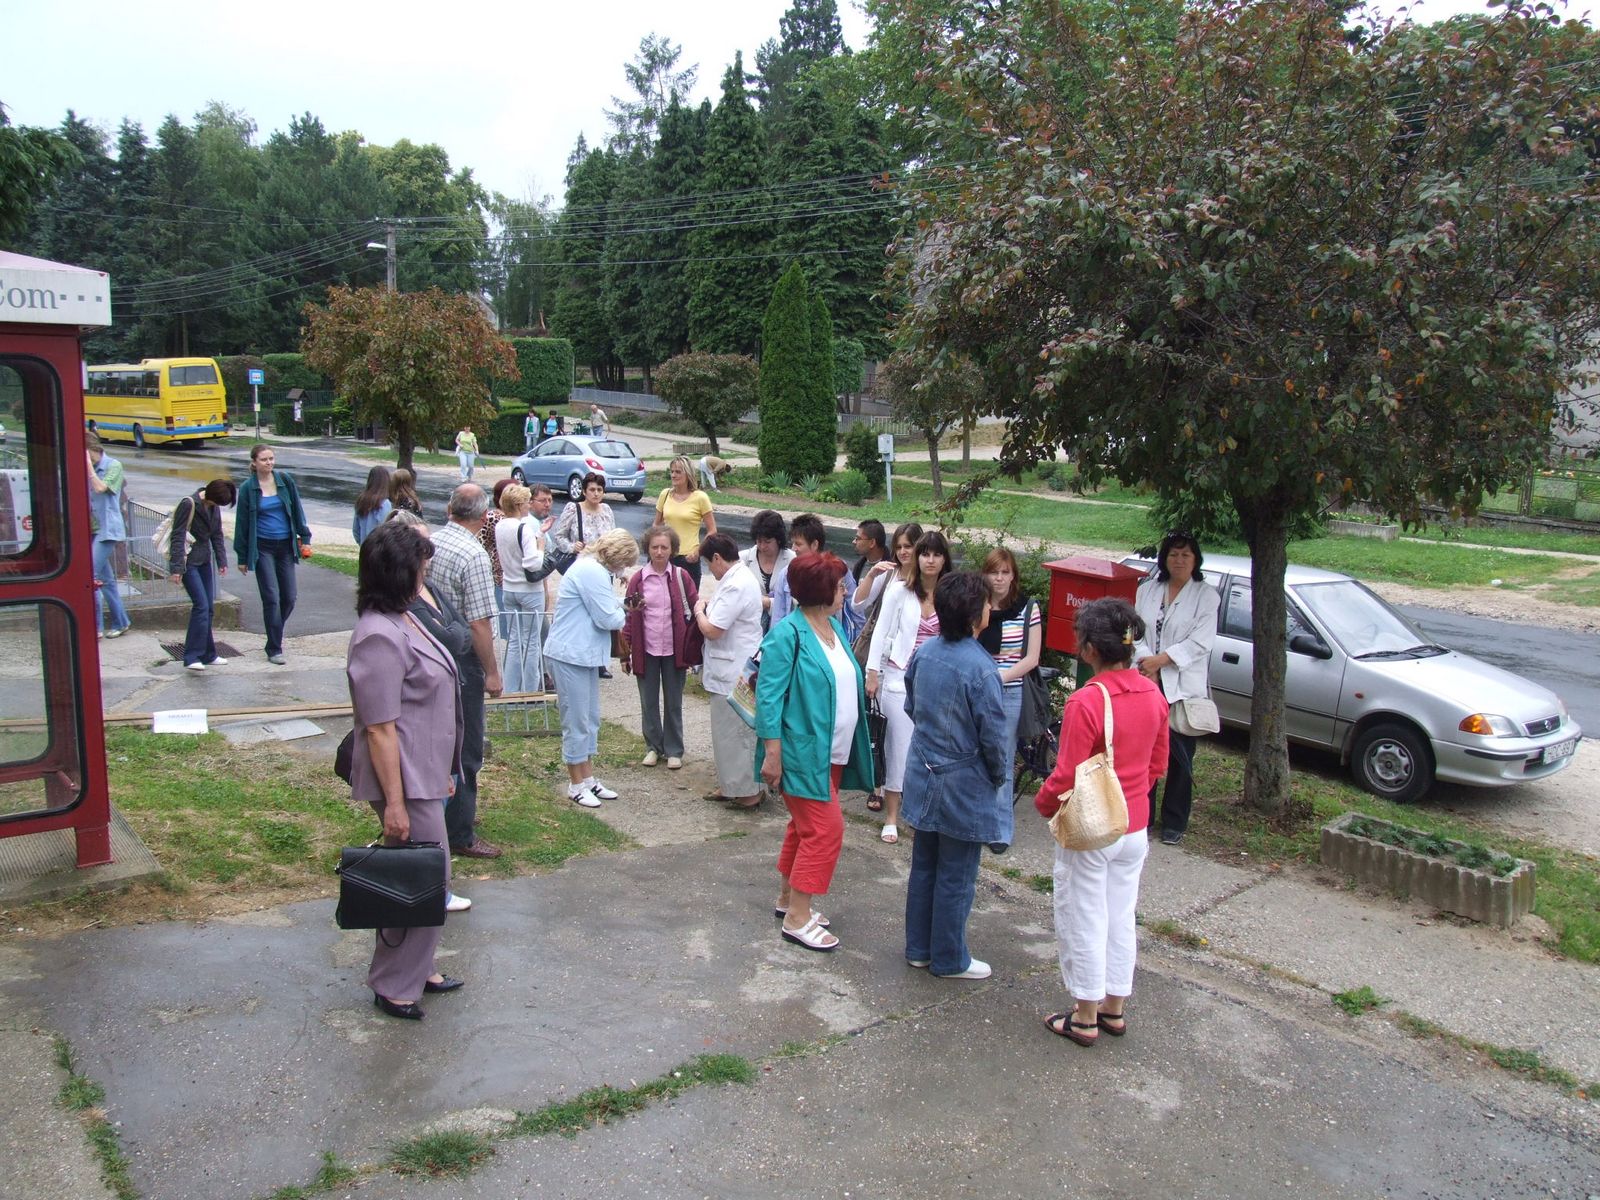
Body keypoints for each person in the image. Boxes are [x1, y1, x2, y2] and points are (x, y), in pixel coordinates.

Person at [346, 521, 467, 1019]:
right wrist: (395, 804)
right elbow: (379, 728)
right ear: (399, 572)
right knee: (424, 878)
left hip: (424, 772)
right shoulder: (377, 635)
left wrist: (447, 771)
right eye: (420, 567)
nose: (425, 575)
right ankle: (394, 983)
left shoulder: (404, 617)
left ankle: (418, 965)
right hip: (405, 779)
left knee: (425, 875)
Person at [1035, 597, 1168, 1046]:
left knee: (1084, 916)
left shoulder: (1087, 701)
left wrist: (1044, 804)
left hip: (1094, 828)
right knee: (1120, 916)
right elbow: (1158, 764)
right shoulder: (1153, 694)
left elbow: (1066, 775)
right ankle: (1114, 1007)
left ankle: (1085, 1015)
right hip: (1134, 825)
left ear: (1089, 648)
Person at [756, 553, 876, 953]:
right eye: (840, 586)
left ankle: (787, 899)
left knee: (803, 826)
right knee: (825, 830)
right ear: (822, 591)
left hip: (832, 751)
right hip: (801, 752)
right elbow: (768, 698)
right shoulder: (787, 635)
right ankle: (797, 918)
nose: (845, 592)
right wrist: (772, 754)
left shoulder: (833, 627)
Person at [902, 573, 1011, 979]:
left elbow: (912, 705)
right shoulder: (981, 668)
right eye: (985, 603)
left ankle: (919, 948)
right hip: (962, 783)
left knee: (924, 866)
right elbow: (994, 738)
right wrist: (997, 776)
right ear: (974, 615)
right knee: (957, 874)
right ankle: (949, 959)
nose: (989, 608)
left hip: (922, 771)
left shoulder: (926, 651)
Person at [390, 509, 478, 915]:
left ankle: (419, 888)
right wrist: (454, 635)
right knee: (423, 824)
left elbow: (459, 630)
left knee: (439, 801)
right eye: (420, 546)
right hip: (418, 737)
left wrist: (454, 635)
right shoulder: (403, 605)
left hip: (442, 722)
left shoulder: (430, 588)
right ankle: (424, 893)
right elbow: (451, 638)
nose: (428, 553)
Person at [425, 485, 505, 860]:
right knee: (467, 747)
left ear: (450, 509)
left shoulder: (433, 541)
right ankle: (459, 832)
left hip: (430, 653)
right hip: (461, 660)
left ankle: (439, 815)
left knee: (438, 742)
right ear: (484, 517)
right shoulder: (474, 555)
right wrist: (492, 672)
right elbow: (479, 623)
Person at [865, 529, 952, 844]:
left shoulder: (951, 594)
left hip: (938, 683)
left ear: (944, 559)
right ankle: (892, 816)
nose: (930, 560)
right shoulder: (900, 591)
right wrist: (872, 672)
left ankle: (923, 814)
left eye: (937, 554)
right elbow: (880, 632)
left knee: (932, 751)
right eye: (925, 553)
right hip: (899, 678)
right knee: (898, 748)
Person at [1132, 531, 1219, 845]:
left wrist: (1161, 661)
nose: (1179, 560)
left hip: (1181, 686)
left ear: (1195, 560)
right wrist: (1147, 664)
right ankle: (1142, 815)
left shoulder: (1206, 596)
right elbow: (1134, 632)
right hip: (1147, 680)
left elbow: (1200, 642)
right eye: (1173, 554)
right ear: (1164, 559)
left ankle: (1174, 821)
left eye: (1185, 555)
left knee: (1180, 755)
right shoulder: (1147, 590)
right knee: (1144, 752)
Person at [545, 528, 639, 807]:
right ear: (616, 555)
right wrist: (622, 612)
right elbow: (607, 618)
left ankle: (588, 779)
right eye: (625, 562)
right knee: (576, 720)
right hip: (570, 654)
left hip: (583, 655)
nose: (624, 569)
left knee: (589, 718)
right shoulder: (592, 571)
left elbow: (603, 605)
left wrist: (621, 604)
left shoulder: (593, 568)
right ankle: (575, 783)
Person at [852, 521, 919, 815]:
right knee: (881, 726)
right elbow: (857, 604)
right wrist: (872, 574)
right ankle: (878, 785)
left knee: (907, 733)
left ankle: (902, 786)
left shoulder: (927, 580)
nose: (903, 552)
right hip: (882, 661)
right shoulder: (890, 573)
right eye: (899, 546)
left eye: (909, 546)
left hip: (911, 666)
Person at [621, 526, 700, 770]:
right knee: (649, 701)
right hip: (647, 649)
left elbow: (695, 608)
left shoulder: (681, 577)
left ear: (672, 549)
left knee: (674, 702)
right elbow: (629, 617)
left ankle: (674, 749)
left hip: (674, 650)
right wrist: (624, 653)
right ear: (647, 548)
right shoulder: (638, 579)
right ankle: (653, 747)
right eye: (654, 547)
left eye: (664, 547)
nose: (659, 552)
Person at [694, 533, 764, 808]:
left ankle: (747, 792)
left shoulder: (736, 584)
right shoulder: (738, 578)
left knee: (737, 734)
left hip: (733, 671)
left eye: (708, 564)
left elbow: (713, 629)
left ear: (717, 558)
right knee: (726, 734)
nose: (710, 571)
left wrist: (699, 611)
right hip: (732, 667)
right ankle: (730, 784)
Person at [233, 444, 312, 666]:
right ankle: (275, 648)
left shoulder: (285, 481)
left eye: (271, 458)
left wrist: (305, 537)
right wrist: (242, 557)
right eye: (264, 459)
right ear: (254, 462)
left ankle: (273, 634)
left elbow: (297, 510)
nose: (269, 463)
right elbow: (241, 524)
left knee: (289, 597)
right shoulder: (248, 488)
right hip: (263, 547)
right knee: (271, 598)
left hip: (285, 546)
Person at [978, 547, 1044, 808]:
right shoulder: (977, 606)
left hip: (1010, 690)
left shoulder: (1027, 608)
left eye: (1005, 572)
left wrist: (1000, 678)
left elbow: (1031, 658)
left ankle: (1000, 821)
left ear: (1013, 575)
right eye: (994, 572)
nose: (999, 578)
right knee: (976, 756)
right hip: (979, 689)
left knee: (1003, 759)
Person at [168, 479, 235, 672]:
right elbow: (178, 535)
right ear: (210, 495)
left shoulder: (213, 506)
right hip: (188, 562)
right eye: (216, 503)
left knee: (209, 608)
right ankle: (191, 656)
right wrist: (176, 568)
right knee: (201, 606)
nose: (216, 506)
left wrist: (222, 561)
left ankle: (208, 654)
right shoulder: (189, 504)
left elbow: (217, 534)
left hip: (204, 560)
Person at [494, 483, 545, 694]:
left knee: (514, 640)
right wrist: (541, 548)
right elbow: (533, 563)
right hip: (529, 589)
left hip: (509, 586)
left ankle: (511, 688)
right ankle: (530, 690)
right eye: (526, 502)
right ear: (518, 505)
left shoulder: (500, 526)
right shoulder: (523, 528)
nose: (528, 506)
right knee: (532, 642)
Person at [773, 514, 858, 638]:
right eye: (793, 543)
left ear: (814, 545)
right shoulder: (786, 574)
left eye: (798, 544)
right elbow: (777, 617)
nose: (793, 548)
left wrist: (856, 642)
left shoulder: (838, 569)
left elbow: (855, 608)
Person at [86, 435, 131, 640]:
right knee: (106, 581)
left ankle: (96, 627)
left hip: (107, 530)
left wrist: (88, 468)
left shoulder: (113, 466)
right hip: (92, 529)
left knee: (90, 577)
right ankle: (121, 622)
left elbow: (100, 488)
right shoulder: (91, 468)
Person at [654, 455, 716, 585]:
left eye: (678, 472)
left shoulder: (700, 498)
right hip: (666, 556)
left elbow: (712, 531)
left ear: (688, 474)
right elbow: (656, 525)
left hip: (689, 559)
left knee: (688, 597)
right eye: (672, 471)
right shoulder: (665, 494)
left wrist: (698, 552)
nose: (673, 475)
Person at [738, 510, 793, 634]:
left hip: (782, 627)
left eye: (767, 542)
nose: (762, 546)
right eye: (759, 541)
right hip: (748, 627)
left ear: (779, 539)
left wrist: (769, 603)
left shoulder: (793, 560)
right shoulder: (742, 559)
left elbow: (794, 601)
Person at [480, 478, 512, 640]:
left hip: (515, 574)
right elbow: (481, 541)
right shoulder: (493, 517)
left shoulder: (521, 517)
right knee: (506, 625)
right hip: (499, 576)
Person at [352, 466, 393, 546]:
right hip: (379, 547)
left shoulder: (362, 501)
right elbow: (385, 529)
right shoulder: (385, 503)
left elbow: (356, 530)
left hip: (365, 546)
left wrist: (362, 544)